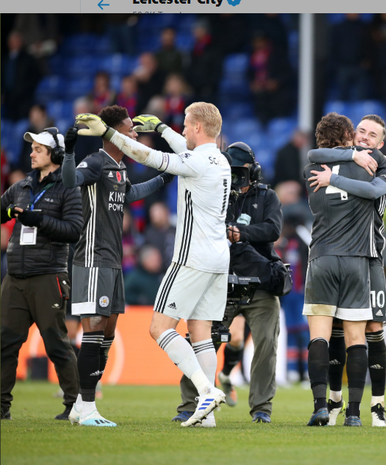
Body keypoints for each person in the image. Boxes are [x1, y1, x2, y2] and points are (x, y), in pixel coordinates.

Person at [72, 103, 231, 428]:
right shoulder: (220, 159)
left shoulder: (194, 161)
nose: (182, 130)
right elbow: (181, 149)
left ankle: (205, 390)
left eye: (185, 125)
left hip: (192, 257)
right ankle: (209, 417)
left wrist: (108, 133)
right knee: (201, 333)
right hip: (219, 257)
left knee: (159, 328)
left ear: (198, 127)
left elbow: (148, 157)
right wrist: (160, 129)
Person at [61, 105, 174, 427]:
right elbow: (70, 183)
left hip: (112, 262)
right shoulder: (95, 162)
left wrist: (165, 177)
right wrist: (69, 151)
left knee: (107, 334)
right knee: (94, 329)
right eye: (130, 130)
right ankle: (86, 406)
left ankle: (82, 405)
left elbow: (131, 194)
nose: (135, 134)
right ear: (112, 134)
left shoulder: (120, 168)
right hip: (92, 259)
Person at [174, 141, 284, 425]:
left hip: (260, 283)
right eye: (233, 172)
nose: (237, 178)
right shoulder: (215, 192)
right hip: (221, 282)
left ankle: (261, 409)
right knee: (201, 341)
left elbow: (273, 229)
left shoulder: (267, 196)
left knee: (266, 346)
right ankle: (189, 405)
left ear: (253, 171)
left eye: (241, 172)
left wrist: (240, 233)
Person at [307, 114, 386, 427]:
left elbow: (375, 192)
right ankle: (338, 403)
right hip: (354, 257)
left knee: (372, 329)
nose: (365, 138)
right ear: (351, 135)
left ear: (381, 143)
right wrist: (351, 157)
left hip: (370, 255)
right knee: (344, 332)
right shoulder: (354, 159)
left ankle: (377, 405)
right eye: (361, 131)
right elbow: (320, 154)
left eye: (373, 135)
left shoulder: (379, 163)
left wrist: (334, 177)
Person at [1, 127, 82, 421]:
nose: (31, 153)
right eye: (32, 148)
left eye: (38, 149)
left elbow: (74, 231)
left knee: (57, 345)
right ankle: (1, 408)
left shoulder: (69, 188)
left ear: (55, 155)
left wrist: (41, 220)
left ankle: (76, 405)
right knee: (5, 344)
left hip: (48, 277)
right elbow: (0, 211)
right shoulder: (21, 186)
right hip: (15, 278)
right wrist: (9, 212)